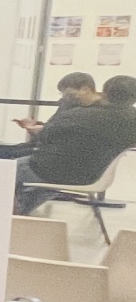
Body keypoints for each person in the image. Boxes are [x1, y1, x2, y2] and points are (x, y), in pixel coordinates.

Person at [12, 74, 136, 213]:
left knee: (3, 170)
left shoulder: (80, 114)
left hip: (51, 169)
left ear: (105, 92)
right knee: (40, 183)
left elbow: (46, 136)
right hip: (93, 176)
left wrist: (37, 129)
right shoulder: (132, 121)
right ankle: (18, 212)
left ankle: (9, 212)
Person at [14, 71, 100, 135]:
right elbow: (56, 125)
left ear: (85, 90)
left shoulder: (98, 113)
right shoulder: (67, 104)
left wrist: (42, 130)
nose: (64, 98)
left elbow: (71, 133)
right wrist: (36, 125)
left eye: (70, 95)